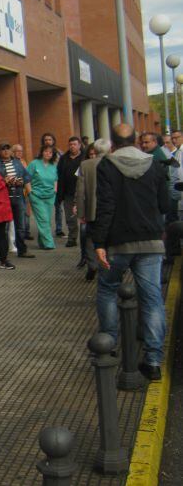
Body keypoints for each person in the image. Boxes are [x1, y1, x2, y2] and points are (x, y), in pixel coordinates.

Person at [92, 124, 169, 382]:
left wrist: (98, 242)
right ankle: (153, 360)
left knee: (107, 289)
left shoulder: (107, 165)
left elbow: (106, 206)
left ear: (112, 142)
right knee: (152, 298)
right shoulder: (154, 165)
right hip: (150, 240)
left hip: (118, 242)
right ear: (135, 140)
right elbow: (165, 203)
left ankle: (109, 344)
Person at [76, 139, 111, 281]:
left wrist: (81, 213)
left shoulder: (85, 165)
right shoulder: (115, 163)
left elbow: (80, 191)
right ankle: (107, 264)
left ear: (95, 151)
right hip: (110, 209)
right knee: (109, 237)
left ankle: (92, 263)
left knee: (90, 238)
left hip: (92, 209)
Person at [0, 142, 34, 259]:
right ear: (0, 152)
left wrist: (23, 185)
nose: (6, 151)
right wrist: (5, 181)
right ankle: (4, 252)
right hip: (5, 198)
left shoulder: (17, 163)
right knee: (5, 227)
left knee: (20, 225)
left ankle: (22, 250)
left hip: (18, 197)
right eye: (3, 149)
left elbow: (26, 177)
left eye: (8, 149)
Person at [26, 145, 59, 250]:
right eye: (46, 151)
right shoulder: (34, 164)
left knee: (46, 220)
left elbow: (55, 179)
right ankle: (49, 244)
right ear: (42, 152)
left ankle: (42, 243)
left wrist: (55, 190)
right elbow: (26, 178)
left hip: (50, 196)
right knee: (43, 219)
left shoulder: (53, 165)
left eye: (50, 152)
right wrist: (30, 192)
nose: (48, 154)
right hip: (36, 195)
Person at [56, 137, 84, 248]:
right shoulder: (64, 158)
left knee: (83, 216)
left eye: (74, 144)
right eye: (70, 144)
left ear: (79, 145)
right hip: (68, 192)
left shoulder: (84, 157)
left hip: (82, 192)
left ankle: (85, 238)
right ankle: (72, 238)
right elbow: (59, 174)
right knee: (70, 217)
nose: (72, 146)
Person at [41, 133, 65, 237]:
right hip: (45, 184)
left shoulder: (59, 153)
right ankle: (46, 230)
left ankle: (59, 229)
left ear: (53, 141)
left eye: (50, 139)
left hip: (57, 182)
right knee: (46, 208)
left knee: (58, 207)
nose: (48, 141)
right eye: (46, 140)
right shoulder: (41, 153)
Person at [12, 143, 33, 241]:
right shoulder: (13, 162)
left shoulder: (23, 161)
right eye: (18, 151)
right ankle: (21, 233)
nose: (20, 153)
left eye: (21, 151)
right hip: (18, 192)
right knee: (21, 212)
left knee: (27, 212)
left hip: (25, 190)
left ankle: (27, 231)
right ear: (13, 152)